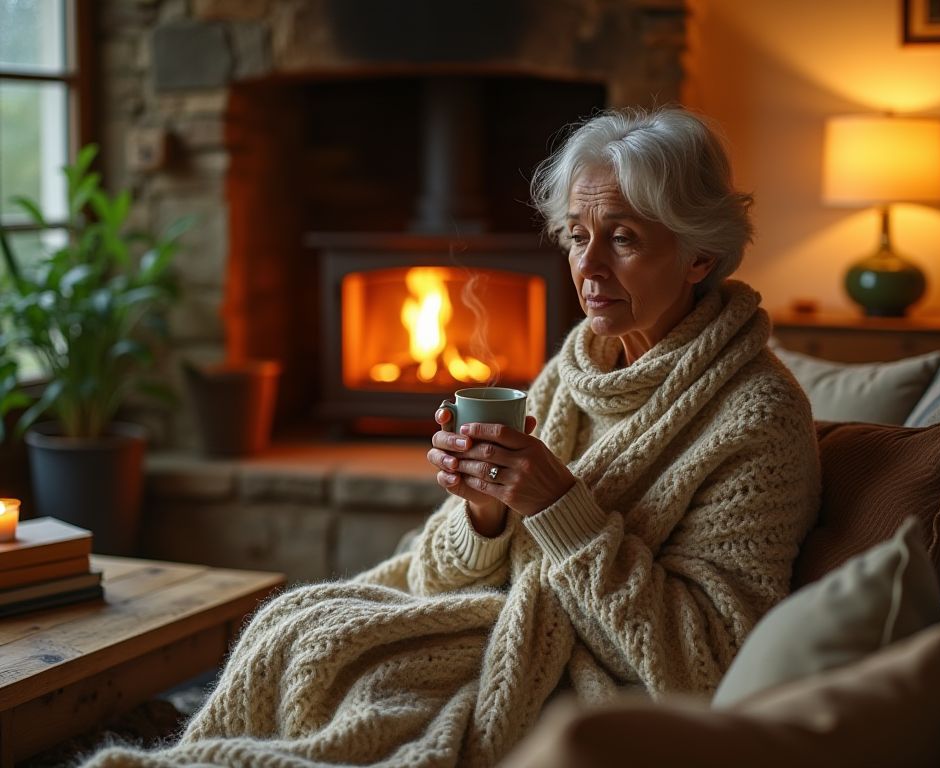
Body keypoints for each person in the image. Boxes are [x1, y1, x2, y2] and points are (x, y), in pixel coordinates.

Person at [81, 107, 820, 768]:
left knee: (355, 665)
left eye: (622, 239)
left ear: (699, 255)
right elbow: (445, 573)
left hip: (587, 667)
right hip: (503, 615)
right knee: (296, 622)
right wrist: (484, 509)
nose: (588, 268)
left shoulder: (756, 418)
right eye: (576, 236)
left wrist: (558, 506)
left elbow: (708, 662)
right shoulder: (577, 366)